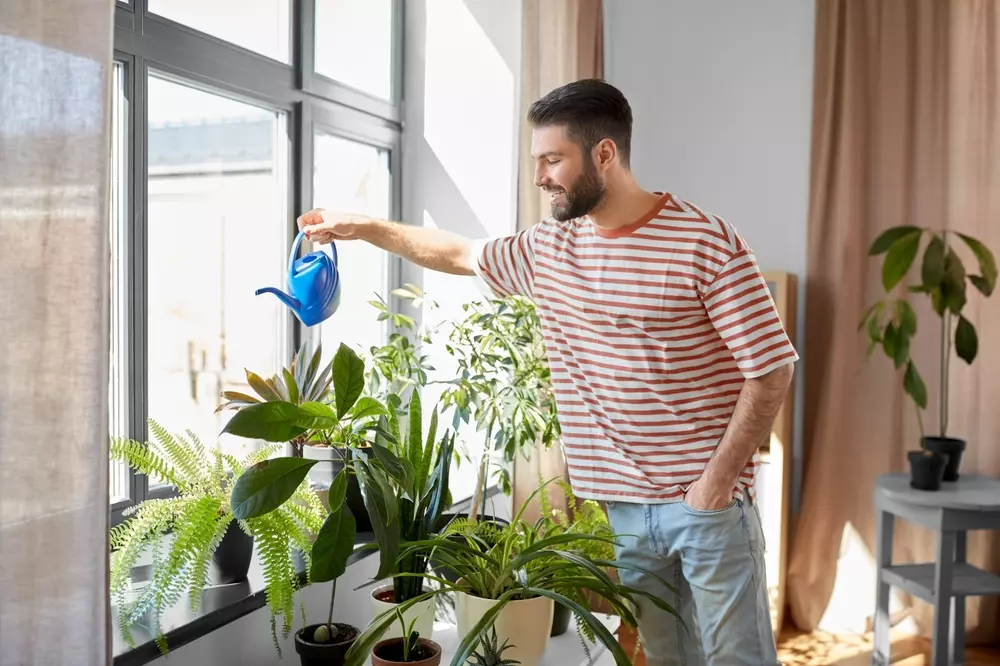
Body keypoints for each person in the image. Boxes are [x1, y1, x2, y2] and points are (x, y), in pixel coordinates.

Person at [297, 78, 796, 666]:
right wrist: (362, 227)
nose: (539, 176)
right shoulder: (550, 247)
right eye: (537, 160)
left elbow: (771, 368)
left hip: (706, 509)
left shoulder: (704, 242)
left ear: (604, 154)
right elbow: (459, 253)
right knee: (666, 658)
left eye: (552, 159)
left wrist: (715, 484)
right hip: (625, 508)